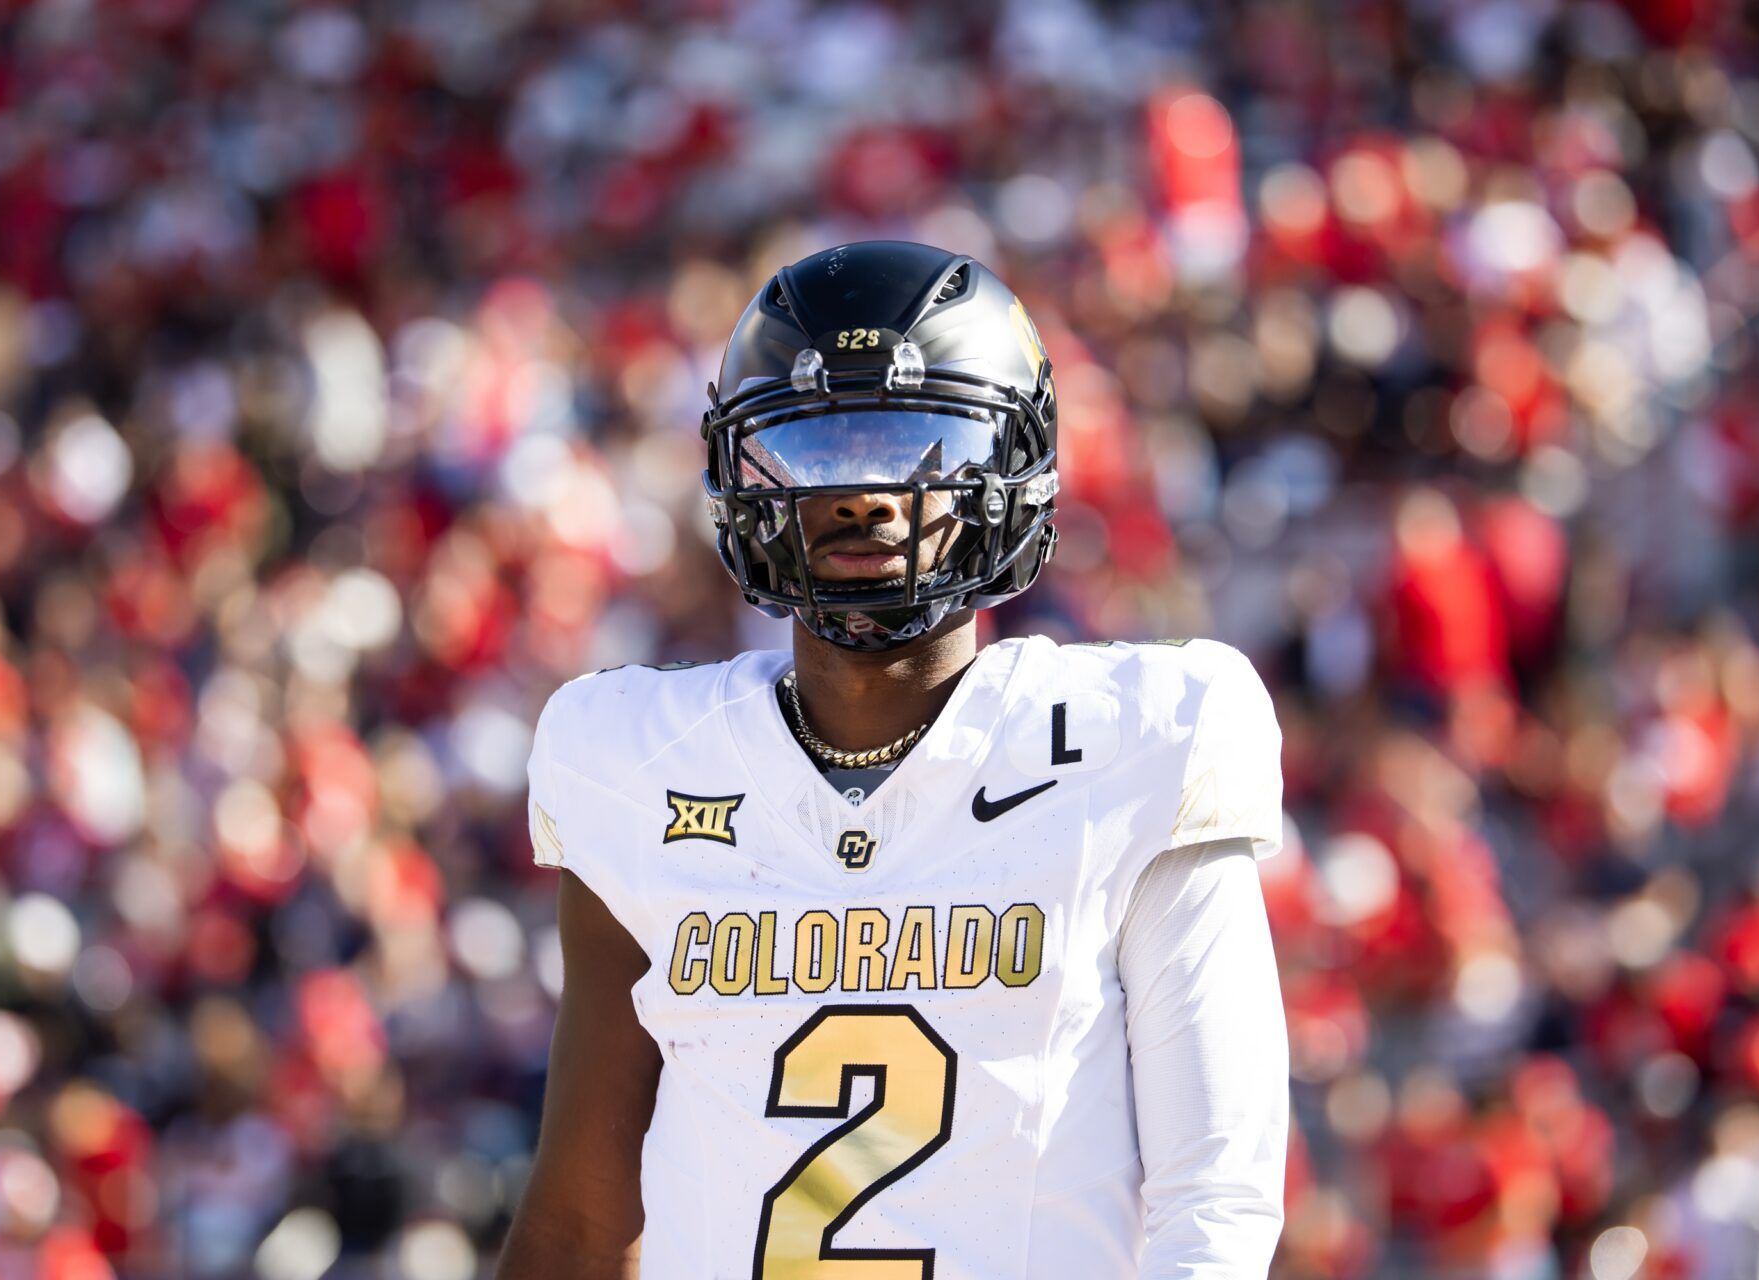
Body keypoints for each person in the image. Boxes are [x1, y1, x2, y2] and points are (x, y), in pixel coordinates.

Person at [497, 241, 1289, 1279]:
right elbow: (579, 1223)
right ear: (740, 476)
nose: (864, 494)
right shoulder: (642, 762)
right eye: (816, 450)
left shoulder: (1137, 741)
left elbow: (1217, 1204)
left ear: (1012, 470)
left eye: (915, 445)